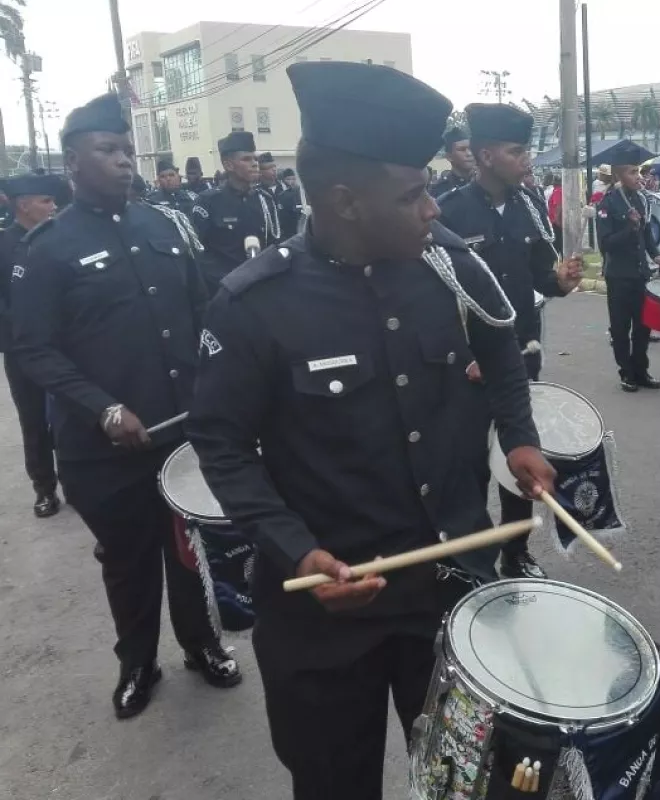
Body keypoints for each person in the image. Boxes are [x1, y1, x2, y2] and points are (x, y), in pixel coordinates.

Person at [187, 61, 554, 800]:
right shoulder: (254, 305)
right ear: (345, 202)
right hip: (327, 612)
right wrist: (294, 548)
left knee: (461, 780)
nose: (430, 210)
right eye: (412, 194)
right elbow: (222, 446)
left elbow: (502, 350)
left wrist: (518, 436)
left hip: (446, 586)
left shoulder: (449, 267)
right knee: (333, 783)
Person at [10, 92, 240, 719]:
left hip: (178, 432)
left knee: (189, 547)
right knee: (127, 559)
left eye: (127, 150)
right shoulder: (48, 248)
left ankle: (201, 644)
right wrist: (103, 408)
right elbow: (34, 350)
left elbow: (201, 314)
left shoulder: (162, 226)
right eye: (107, 151)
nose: (124, 162)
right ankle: (138, 662)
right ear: (73, 162)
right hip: (103, 448)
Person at [437, 102, 584, 580]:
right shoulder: (449, 212)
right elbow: (435, 298)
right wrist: (466, 355)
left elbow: (543, 276)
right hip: (466, 366)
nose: (527, 159)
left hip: (521, 355)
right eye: (517, 150)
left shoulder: (530, 208)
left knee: (519, 457)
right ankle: (470, 561)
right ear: (484, 155)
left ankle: (515, 551)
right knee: (469, 465)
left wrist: (560, 280)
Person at [0, 172, 63, 517]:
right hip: (23, 351)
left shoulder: (59, 239)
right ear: (23, 205)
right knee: (34, 421)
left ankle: (76, 478)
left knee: (70, 417)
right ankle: (44, 488)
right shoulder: (3, 244)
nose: (53, 207)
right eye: (45, 201)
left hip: (64, 347)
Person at [595, 139, 660, 392]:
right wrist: (628, 228)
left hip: (640, 274)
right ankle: (626, 372)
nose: (639, 177)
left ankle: (641, 370)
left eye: (639, 171)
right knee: (621, 328)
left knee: (643, 327)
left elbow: (646, 237)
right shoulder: (608, 204)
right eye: (632, 172)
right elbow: (606, 244)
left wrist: (656, 255)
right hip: (618, 276)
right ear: (618, 174)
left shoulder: (641, 200)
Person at [193, 131, 281, 294]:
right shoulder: (208, 202)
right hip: (224, 290)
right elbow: (199, 253)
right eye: (246, 159)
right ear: (229, 165)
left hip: (260, 288)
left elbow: (274, 244)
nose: (255, 164)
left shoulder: (265, 200)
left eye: (255, 158)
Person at [429, 125, 475, 198]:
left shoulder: (483, 182)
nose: (469, 153)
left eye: (471, 148)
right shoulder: (439, 189)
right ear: (449, 157)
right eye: (462, 149)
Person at [275, 168, 305, 241]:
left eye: (293, 179)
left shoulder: (301, 192)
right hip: (287, 230)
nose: (291, 182)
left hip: (299, 226)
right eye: (288, 179)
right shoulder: (281, 194)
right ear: (283, 180)